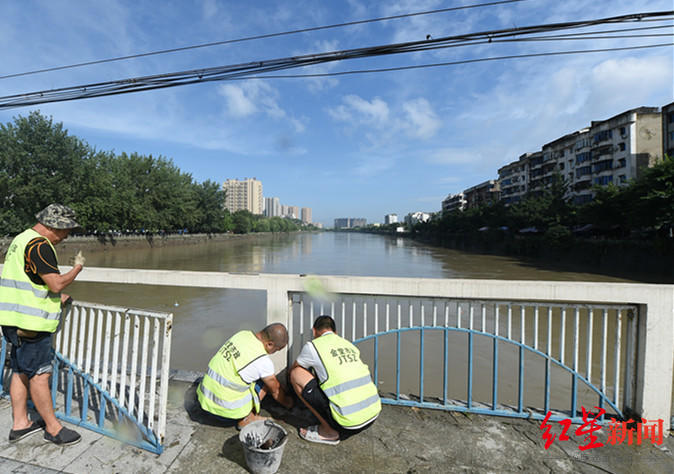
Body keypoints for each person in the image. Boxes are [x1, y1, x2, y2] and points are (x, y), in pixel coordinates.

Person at [0, 204, 86, 446]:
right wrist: (77, 268)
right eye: (66, 230)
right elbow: (55, 284)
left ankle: (20, 424)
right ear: (52, 226)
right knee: (40, 375)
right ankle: (53, 428)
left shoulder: (21, 240)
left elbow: (30, 282)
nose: (67, 235)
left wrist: (56, 300)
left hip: (12, 321)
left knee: (19, 371)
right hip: (32, 325)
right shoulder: (40, 246)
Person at [290, 315, 381, 445]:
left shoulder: (313, 346)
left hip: (347, 423)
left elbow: (296, 368)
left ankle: (329, 432)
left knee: (296, 374)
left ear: (314, 331)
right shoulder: (348, 344)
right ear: (335, 332)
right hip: (372, 414)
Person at [196, 323, 294, 429]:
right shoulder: (263, 361)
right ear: (269, 344)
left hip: (204, 401)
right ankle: (247, 418)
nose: (275, 352)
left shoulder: (242, 334)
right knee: (266, 382)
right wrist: (288, 403)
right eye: (277, 350)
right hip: (225, 413)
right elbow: (275, 391)